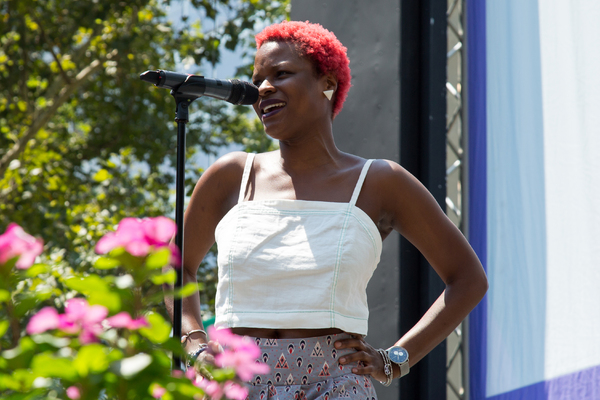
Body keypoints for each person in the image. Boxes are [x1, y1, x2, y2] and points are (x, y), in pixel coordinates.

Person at [170, 20, 487, 399]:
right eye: (258, 80)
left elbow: (468, 279)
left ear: (328, 83)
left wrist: (395, 359)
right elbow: (176, 267)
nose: (264, 88)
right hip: (234, 382)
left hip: (335, 385)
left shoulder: (380, 182)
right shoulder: (232, 175)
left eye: (281, 73)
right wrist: (195, 344)